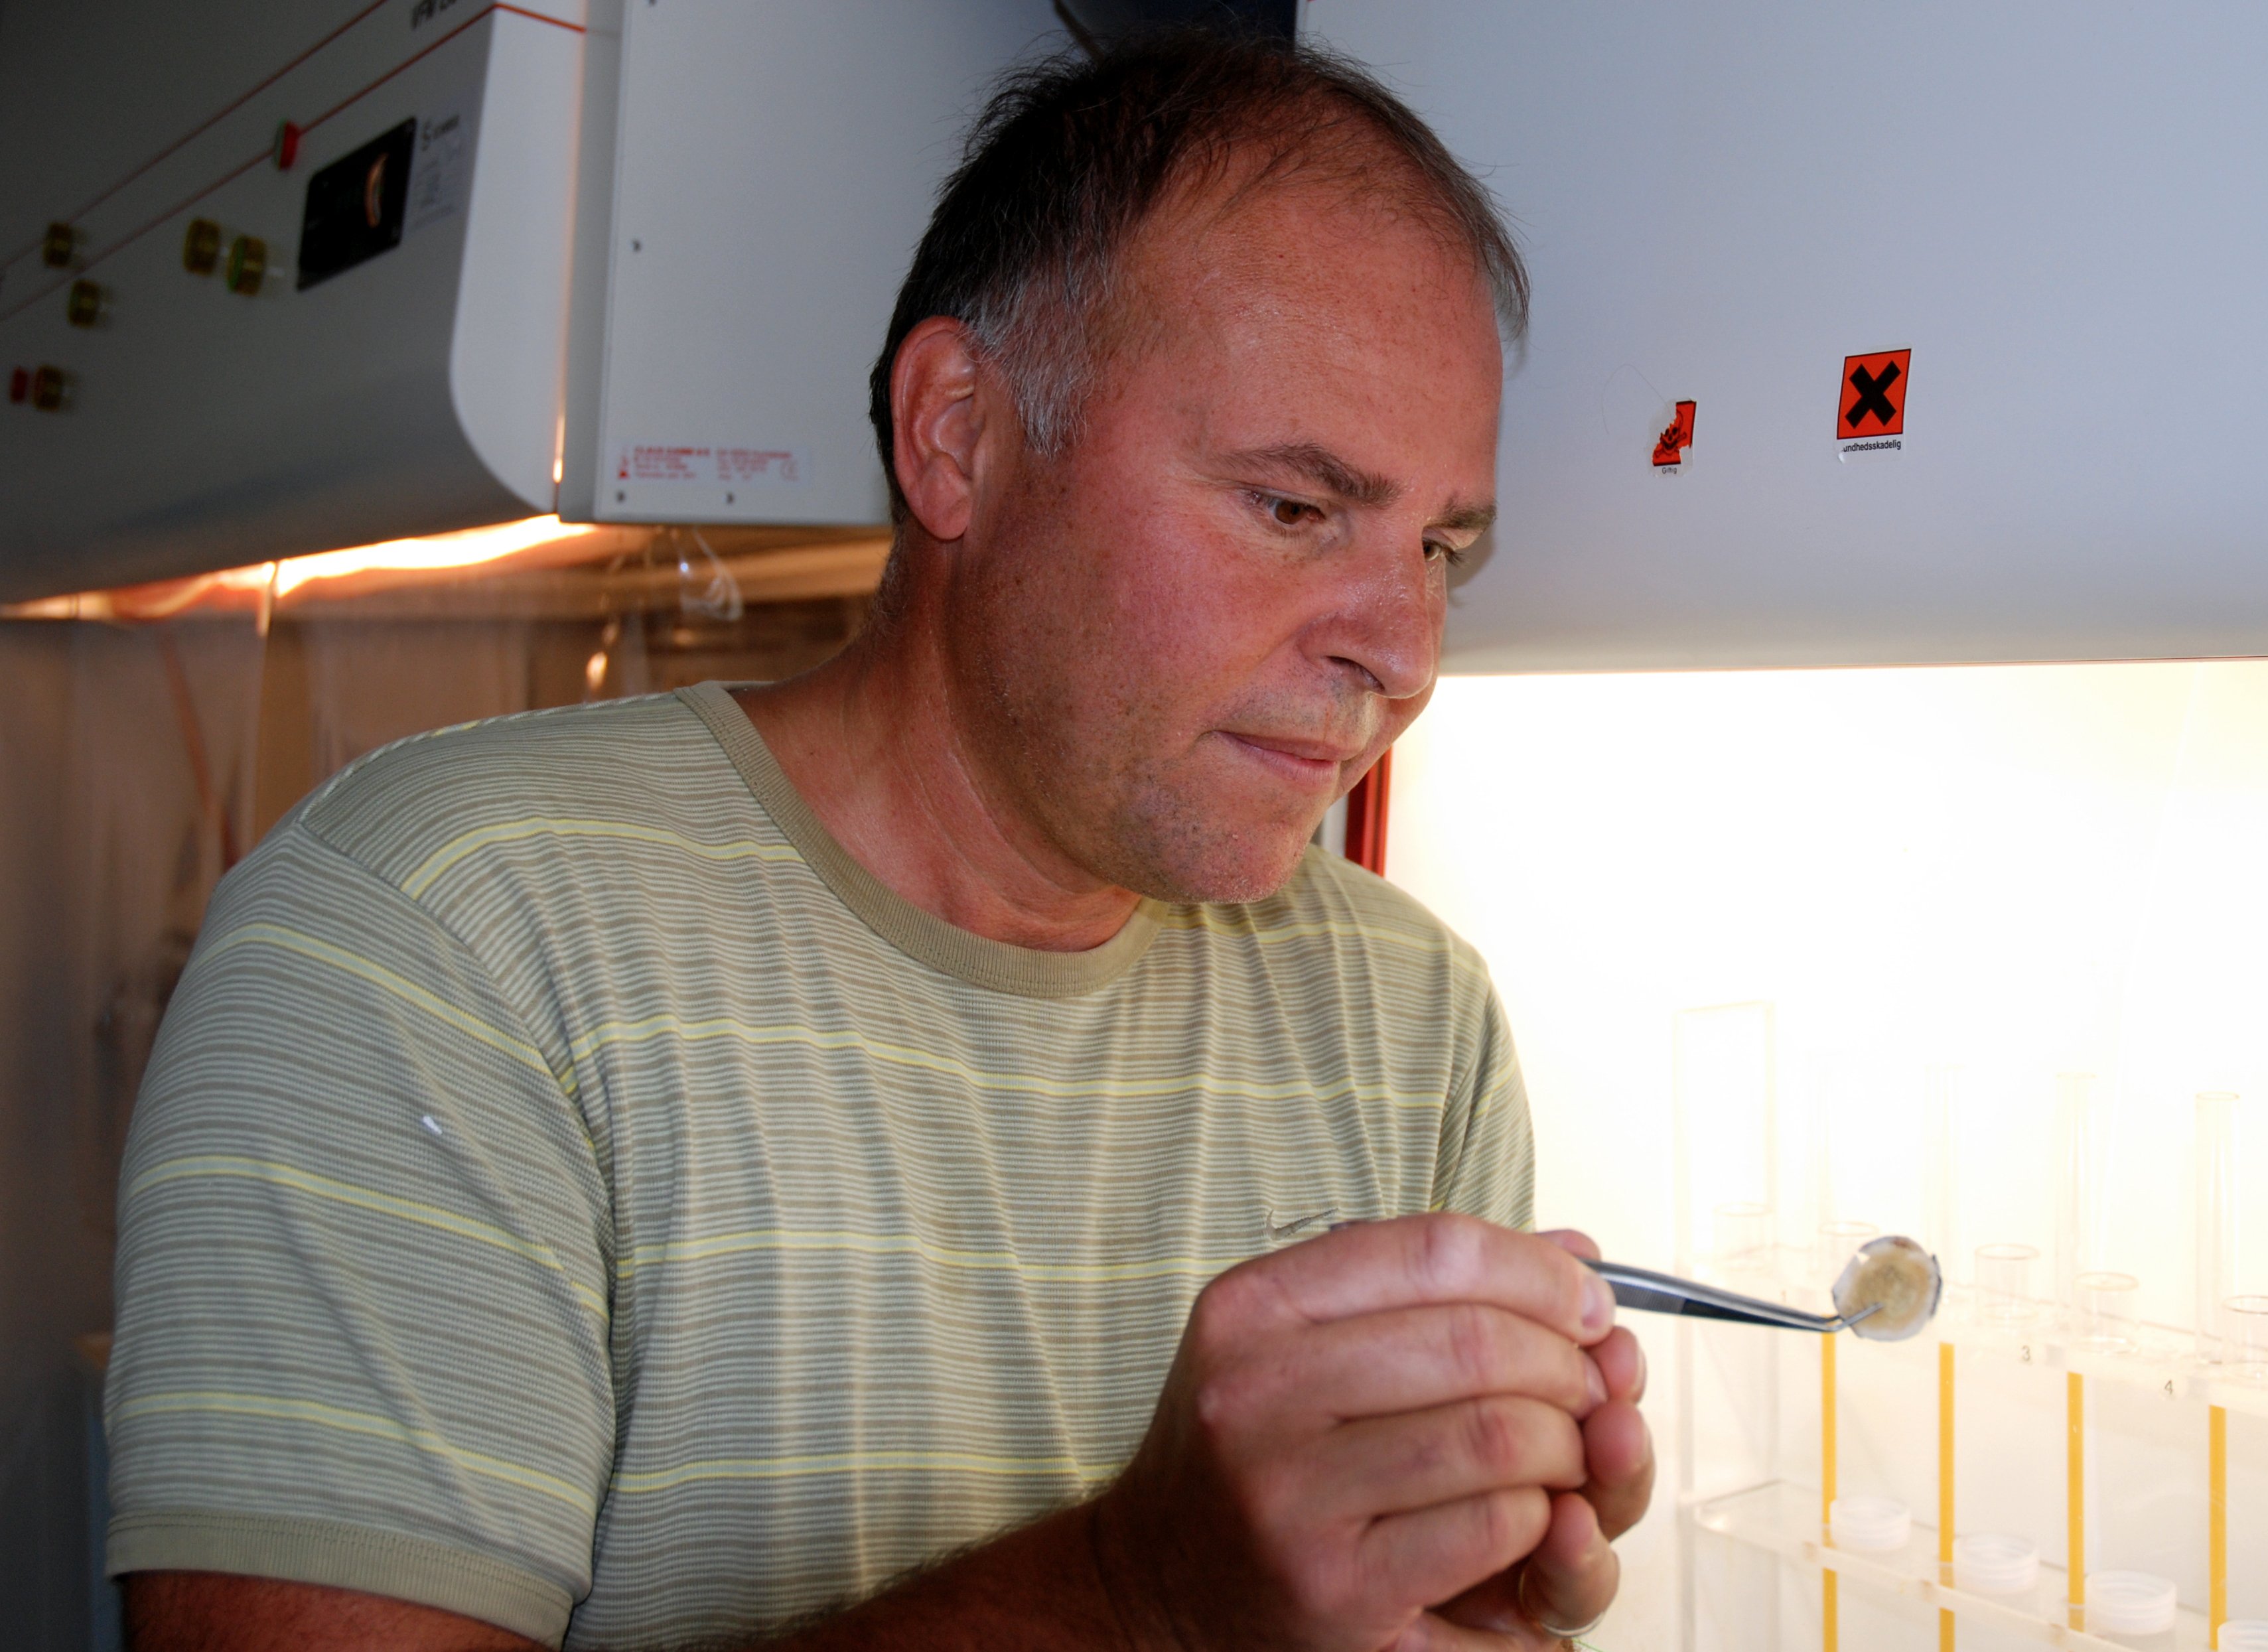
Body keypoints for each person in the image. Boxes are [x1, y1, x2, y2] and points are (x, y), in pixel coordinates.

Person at [107, 30, 1654, 1651]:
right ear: (958, 433)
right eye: (1293, 509)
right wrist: (1134, 1596)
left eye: (1440, 548)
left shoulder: (1411, 1021)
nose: (1399, 650)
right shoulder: (436, 939)